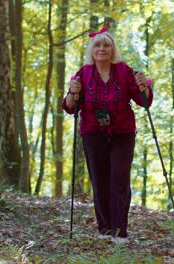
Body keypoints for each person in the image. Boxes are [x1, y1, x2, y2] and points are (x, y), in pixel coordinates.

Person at [62, 25, 152, 242]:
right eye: (98, 45)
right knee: (99, 181)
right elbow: (69, 107)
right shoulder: (82, 74)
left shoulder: (125, 71)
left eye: (106, 45)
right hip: (93, 133)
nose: (102, 49)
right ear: (92, 50)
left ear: (112, 50)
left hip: (122, 132)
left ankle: (120, 231)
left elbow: (143, 102)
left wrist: (144, 87)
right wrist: (73, 93)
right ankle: (105, 230)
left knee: (119, 179)